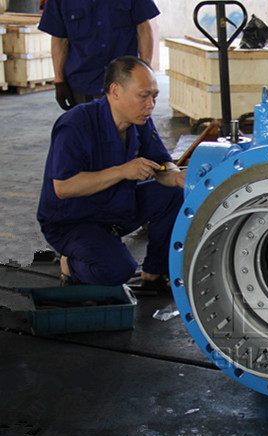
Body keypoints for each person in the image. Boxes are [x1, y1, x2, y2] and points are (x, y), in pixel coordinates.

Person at [37, 56, 185, 289]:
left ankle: (155, 272)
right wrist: (122, 171)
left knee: (174, 193)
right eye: (143, 96)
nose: (151, 105)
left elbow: (161, 163)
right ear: (115, 91)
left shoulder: (140, 121)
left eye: (154, 96)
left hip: (116, 206)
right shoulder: (75, 125)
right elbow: (63, 187)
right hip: (73, 221)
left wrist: (176, 175)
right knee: (117, 270)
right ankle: (70, 264)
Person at [38, 0, 159, 110]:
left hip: (125, 81)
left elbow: (144, 28)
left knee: (128, 126)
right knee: (85, 126)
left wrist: (145, 72)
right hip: (83, 83)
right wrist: (59, 81)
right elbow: (59, 39)